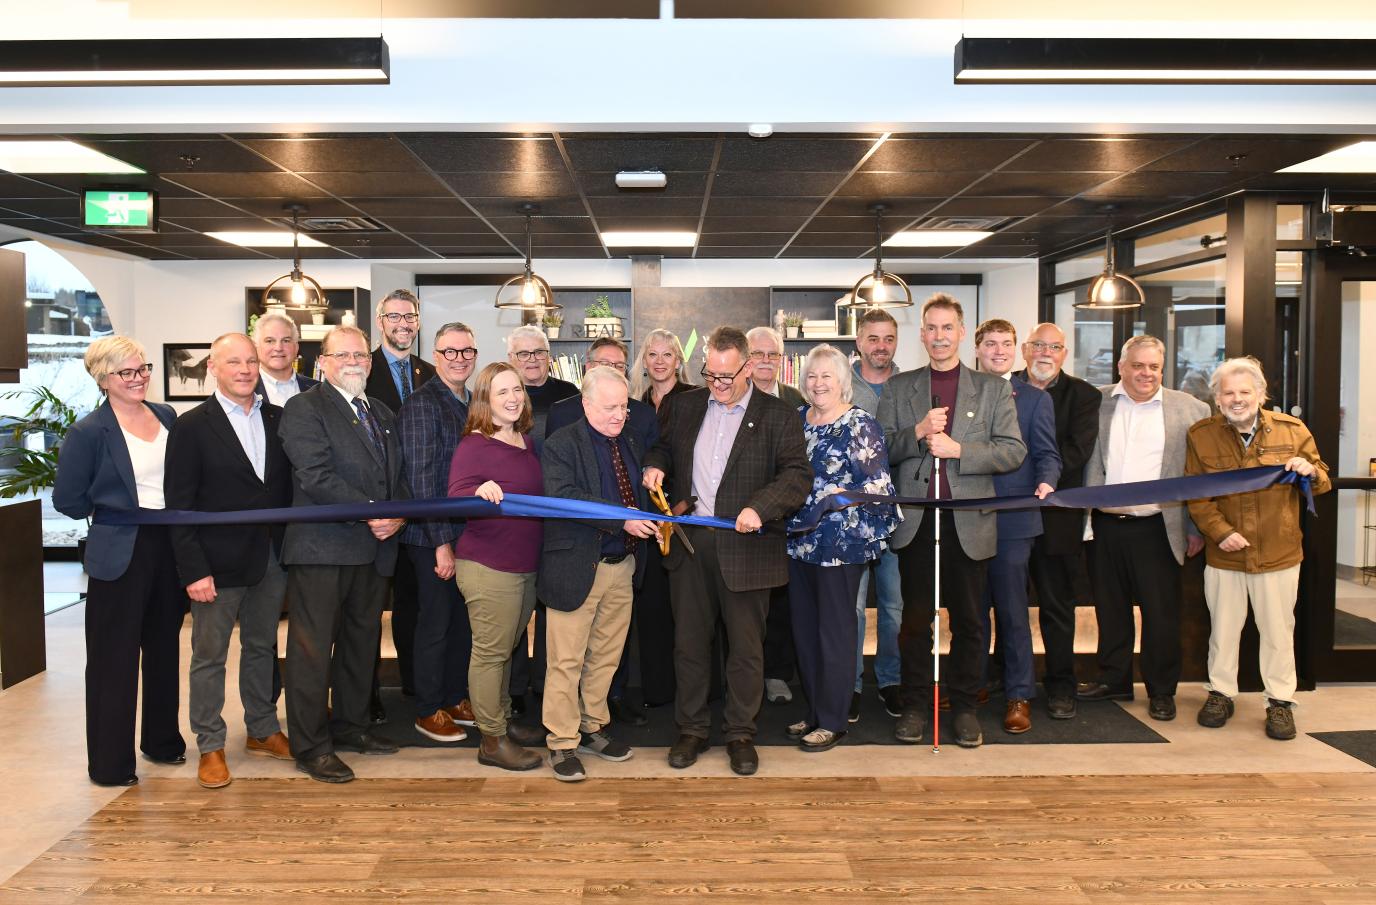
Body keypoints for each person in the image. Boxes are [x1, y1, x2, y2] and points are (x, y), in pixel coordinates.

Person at [642, 326, 811, 776]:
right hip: (690, 544)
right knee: (689, 645)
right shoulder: (684, 405)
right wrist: (655, 465)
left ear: (748, 367)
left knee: (746, 650)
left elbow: (797, 476)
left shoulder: (779, 415)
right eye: (710, 375)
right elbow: (663, 447)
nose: (717, 385)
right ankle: (691, 729)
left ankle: (740, 734)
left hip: (749, 547)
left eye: (726, 376)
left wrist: (760, 507)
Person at [877, 294, 1025, 749]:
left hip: (968, 522)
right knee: (914, 623)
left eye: (947, 328)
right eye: (931, 328)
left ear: (961, 333)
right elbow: (880, 449)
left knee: (969, 622)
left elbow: (1013, 451)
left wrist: (961, 451)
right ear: (921, 335)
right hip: (917, 522)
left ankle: (964, 708)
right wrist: (918, 433)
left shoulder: (993, 389)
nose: (939, 337)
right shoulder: (900, 388)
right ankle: (915, 706)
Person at [279, 325, 408, 783]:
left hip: (374, 550)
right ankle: (311, 746)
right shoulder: (304, 408)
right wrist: (373, 512)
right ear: (323, 362)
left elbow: (400, 477)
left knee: (361, 644)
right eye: (343, 355)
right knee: (311, 653)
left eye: (361, 355)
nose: (354, 362)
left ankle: (353, 726)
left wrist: (399, 515)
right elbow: (315, 476)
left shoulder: (382, 411)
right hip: (323, 549)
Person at [54, 336, 185, 787]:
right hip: (118, 550)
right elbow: (68, 499)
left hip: (168, 546)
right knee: (114, 661)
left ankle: (162, 742)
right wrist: (110, 509)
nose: (138, 378)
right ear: (103, 379)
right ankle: (110, 764)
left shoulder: (166, 416)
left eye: (142, 368)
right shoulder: (89, 432)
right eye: (126, 372)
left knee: (164, 650)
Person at [165, 332, 294, 789]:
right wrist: (193, 570)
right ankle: (210, 744)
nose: (244, 370)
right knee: (209, 656)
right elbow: (179, 507)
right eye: (233, 362)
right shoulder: (191, 426)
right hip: (215, 566)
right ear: (212, 368)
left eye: (250, 361)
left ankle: (261, 729)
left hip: (271, 559)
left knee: (262, 648)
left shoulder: (278, 418)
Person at [1186, 357, 1331, 740]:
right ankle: (1221, 694)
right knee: (1223, 631)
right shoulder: (1201, 435)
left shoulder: (1293, 431)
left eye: (1244, 392)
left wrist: (1310, 471)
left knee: (1278, 632)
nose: (1237, 399)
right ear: (1217, 398)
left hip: (1279, 553)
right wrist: (1220, 532)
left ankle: (1280, 702)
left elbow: (1322, 480)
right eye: (1228, 393)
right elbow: (1195, 495)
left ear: (1261, 394)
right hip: (1225, 554)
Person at [1078, 335, 1210, 721]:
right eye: (1137, 365)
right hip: (1104, 525)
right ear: (1122, 367)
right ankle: (1114, 679)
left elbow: (1201, 473)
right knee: (1110, 609)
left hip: (1158, 527)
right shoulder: (1095, 402)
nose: (1146, 373)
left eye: (1154, 367)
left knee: (1161, 614)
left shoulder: (1192, 409)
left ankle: (1161, 690)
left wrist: (1195, 526)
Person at [539, 367, 659, 781]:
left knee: (606, 657)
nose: (618, 415)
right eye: (609, 407)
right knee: (566, 661)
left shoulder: (629, 440)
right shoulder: (561, 444)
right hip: (576, 567)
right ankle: (561, 741)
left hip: (622, 566)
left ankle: (592, 726)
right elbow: (564, 496)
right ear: (586, 404)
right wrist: (622, 519)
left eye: (624, 406)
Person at [785, 344, 899, 752]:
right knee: (805, 632)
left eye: (827, 376)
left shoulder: (860, 424)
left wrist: (837, 498)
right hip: (798, 543)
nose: (818, 383)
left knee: (834, 633)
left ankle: (834, 720)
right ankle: (815, 710)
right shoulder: (797, 419)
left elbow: (878, 487)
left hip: (840, 546)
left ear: (843, 382)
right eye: (812, 376)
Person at [448, 362, 548, 771]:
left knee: (507, 648)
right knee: (491, 653)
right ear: (484, 400)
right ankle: (491, 740)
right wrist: (478, 488)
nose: (512, 398)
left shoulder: (525, 441)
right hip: (489, 566)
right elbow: (456, 494)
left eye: (517, 390)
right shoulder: (474, 445)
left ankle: (502, 722)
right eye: (502, 392)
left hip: (524, 565)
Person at [971, 319, 1061, 735]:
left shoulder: (1035, 399)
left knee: (1011, 612)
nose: (999, 351)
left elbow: (1048, 454)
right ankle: (972, 685)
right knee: (970, 613)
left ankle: (1019, 694)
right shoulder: (960, 391)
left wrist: (1048, 481)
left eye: (1006, 344)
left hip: (1014, 519)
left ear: (1016, 350)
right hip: (967, 517)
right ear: (977, 349)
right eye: (990, 344)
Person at [397, 322, 479, 743]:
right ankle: (428, 708)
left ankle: (453, 696)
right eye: (450, 351)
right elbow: (422, 480)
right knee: (435, 623)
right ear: (435, 355)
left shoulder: (472, 401)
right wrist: (442, 544)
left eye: (467, 351)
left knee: (461, 622)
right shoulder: (422, 403)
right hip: (432, 538)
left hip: (468, 534)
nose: (459, 359)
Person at [1015, 322, 1101, 720]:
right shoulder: (1003, 388)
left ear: (1065, 353)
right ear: (1025, 350)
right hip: (1010, 514)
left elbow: (1077, 452)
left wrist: (1033, 479)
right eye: (1038, 345)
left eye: (1054, 347)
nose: (1045, 353)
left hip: (1058, 516)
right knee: (1007, 602)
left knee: (1057, 606)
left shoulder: (1084, 396)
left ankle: (1061, 685)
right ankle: (1008, 678)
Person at [364, 289, 435, 713]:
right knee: (367, 613)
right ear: (380, 322)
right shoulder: (362, 368)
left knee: (414, 605)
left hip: (420, 512)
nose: (402, 324)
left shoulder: (431, 372)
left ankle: (413, 687)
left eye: (409, 317)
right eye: (394, 317)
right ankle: (366, 698)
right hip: (375, 513)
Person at [505, 324, 579, 712]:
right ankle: (515, 689)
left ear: (549, 357)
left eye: (538, 352)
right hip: (514, 517)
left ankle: (548, 685)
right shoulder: (502, 396)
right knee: (516, 609)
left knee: (554, 608)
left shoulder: (571, 395)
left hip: (560, 517)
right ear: (510, 359)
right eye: (523, 354)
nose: (532, 360)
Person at [847, 306, 904, 721]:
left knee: (893, 606)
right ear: (858, 341)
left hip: (901, 519)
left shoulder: (911, 385)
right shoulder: (839, 383)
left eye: (888, 338)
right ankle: (849, 685)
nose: (880, 346)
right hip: (850, 519)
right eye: (873, 338)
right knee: (851, 607)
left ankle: (890, 681)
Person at [746, 325, 804, 705]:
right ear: (746, 359)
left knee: (780, 600)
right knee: (742, 605)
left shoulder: (796, 400)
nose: (766, 361)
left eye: (773, 354)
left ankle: (777, 674)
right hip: (740, 514)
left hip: (784, 515)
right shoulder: (733, 395)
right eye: (758, 353)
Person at [253, 310, 318, 406]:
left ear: (296, 347)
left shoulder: (318, 390)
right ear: (256, 347)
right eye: (269, 341)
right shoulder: (244, 389)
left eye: (286, 341)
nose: (278, 348)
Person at [630, 328, 696, 411]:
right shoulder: (637, 402)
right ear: (644, 362)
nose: (659, 361)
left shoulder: (696, 397)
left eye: (667, 354)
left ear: (677, 362)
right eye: (653, 354)